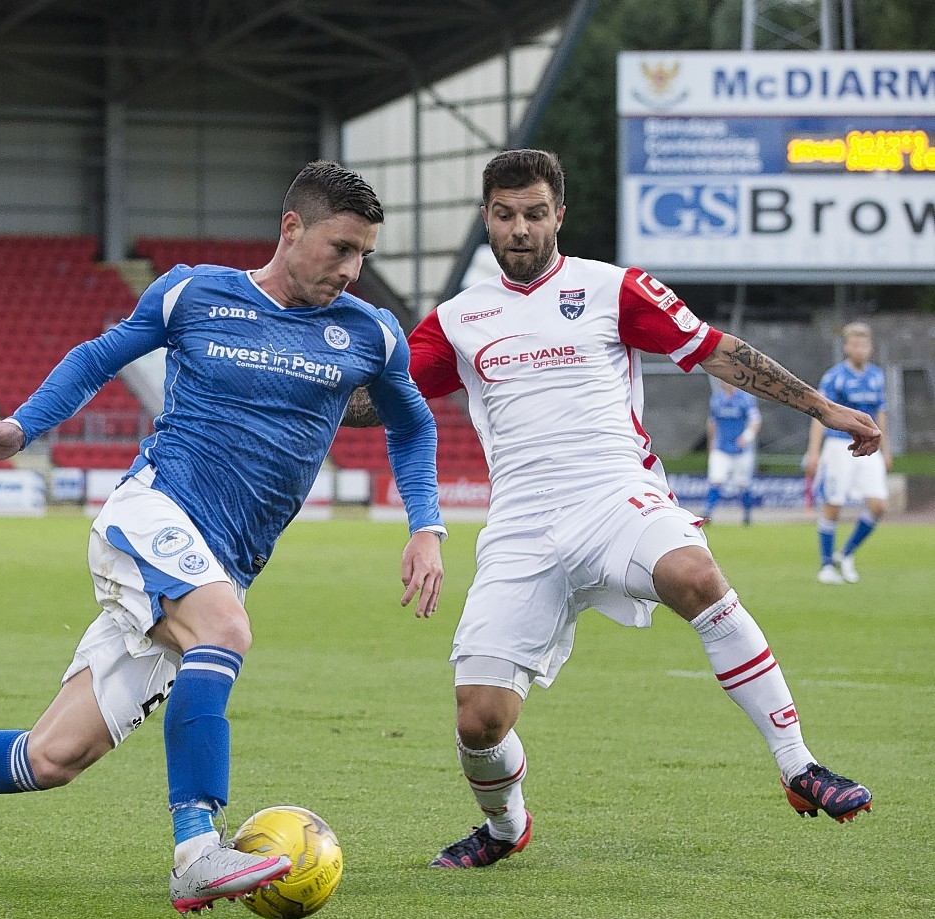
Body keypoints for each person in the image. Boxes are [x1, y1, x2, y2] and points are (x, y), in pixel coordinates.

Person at [0, 161, 447, 913]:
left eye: (364, 257)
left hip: (227, 558)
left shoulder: (368, 332)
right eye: (340, 248)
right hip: (151, 515)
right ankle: (197, 850)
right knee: (223, 629)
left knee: (50, 758)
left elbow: (413, 423)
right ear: (291, 228)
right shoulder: (196, 291)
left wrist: (426, 526)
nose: (352, 271)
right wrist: (21, 426)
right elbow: (99, 357)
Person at [346, 149, 877, 869]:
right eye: (505, 216)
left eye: (535, 214)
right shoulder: (458, 320)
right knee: (479, 719)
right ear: (486, 221)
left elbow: (719, 352)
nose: (521, 230)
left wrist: (822, 406)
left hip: (614, 495)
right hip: (521, 527)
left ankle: (798, 765)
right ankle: (505, 829)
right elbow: (378, 403)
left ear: (558, 214)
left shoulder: (614, 289)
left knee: (694, 574)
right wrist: (295, 381)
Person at [804, 322, 891, 585]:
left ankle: (846, 553)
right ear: (846, 347)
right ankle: (826, 565)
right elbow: (820, 414)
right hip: (839, 445)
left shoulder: (877, 376)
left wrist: (886, 448)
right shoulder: (834, 377)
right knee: (834, 503)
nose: (860, 349)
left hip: (869, 446)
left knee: (878, 505)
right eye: (854, 344)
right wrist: (814, 451)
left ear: (870, 347)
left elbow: (881, 414)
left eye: (864, 344)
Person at [705, 377, 762, 524]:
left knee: (743, 484)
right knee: (715, 480)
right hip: (721, 448)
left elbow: (755, 420)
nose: (726, 383)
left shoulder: (745, 399)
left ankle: (747, 515)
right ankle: (708, 512)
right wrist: (711, 443)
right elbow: (712, 423)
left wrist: (747, 437)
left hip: (741, 450)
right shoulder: (717, 399)